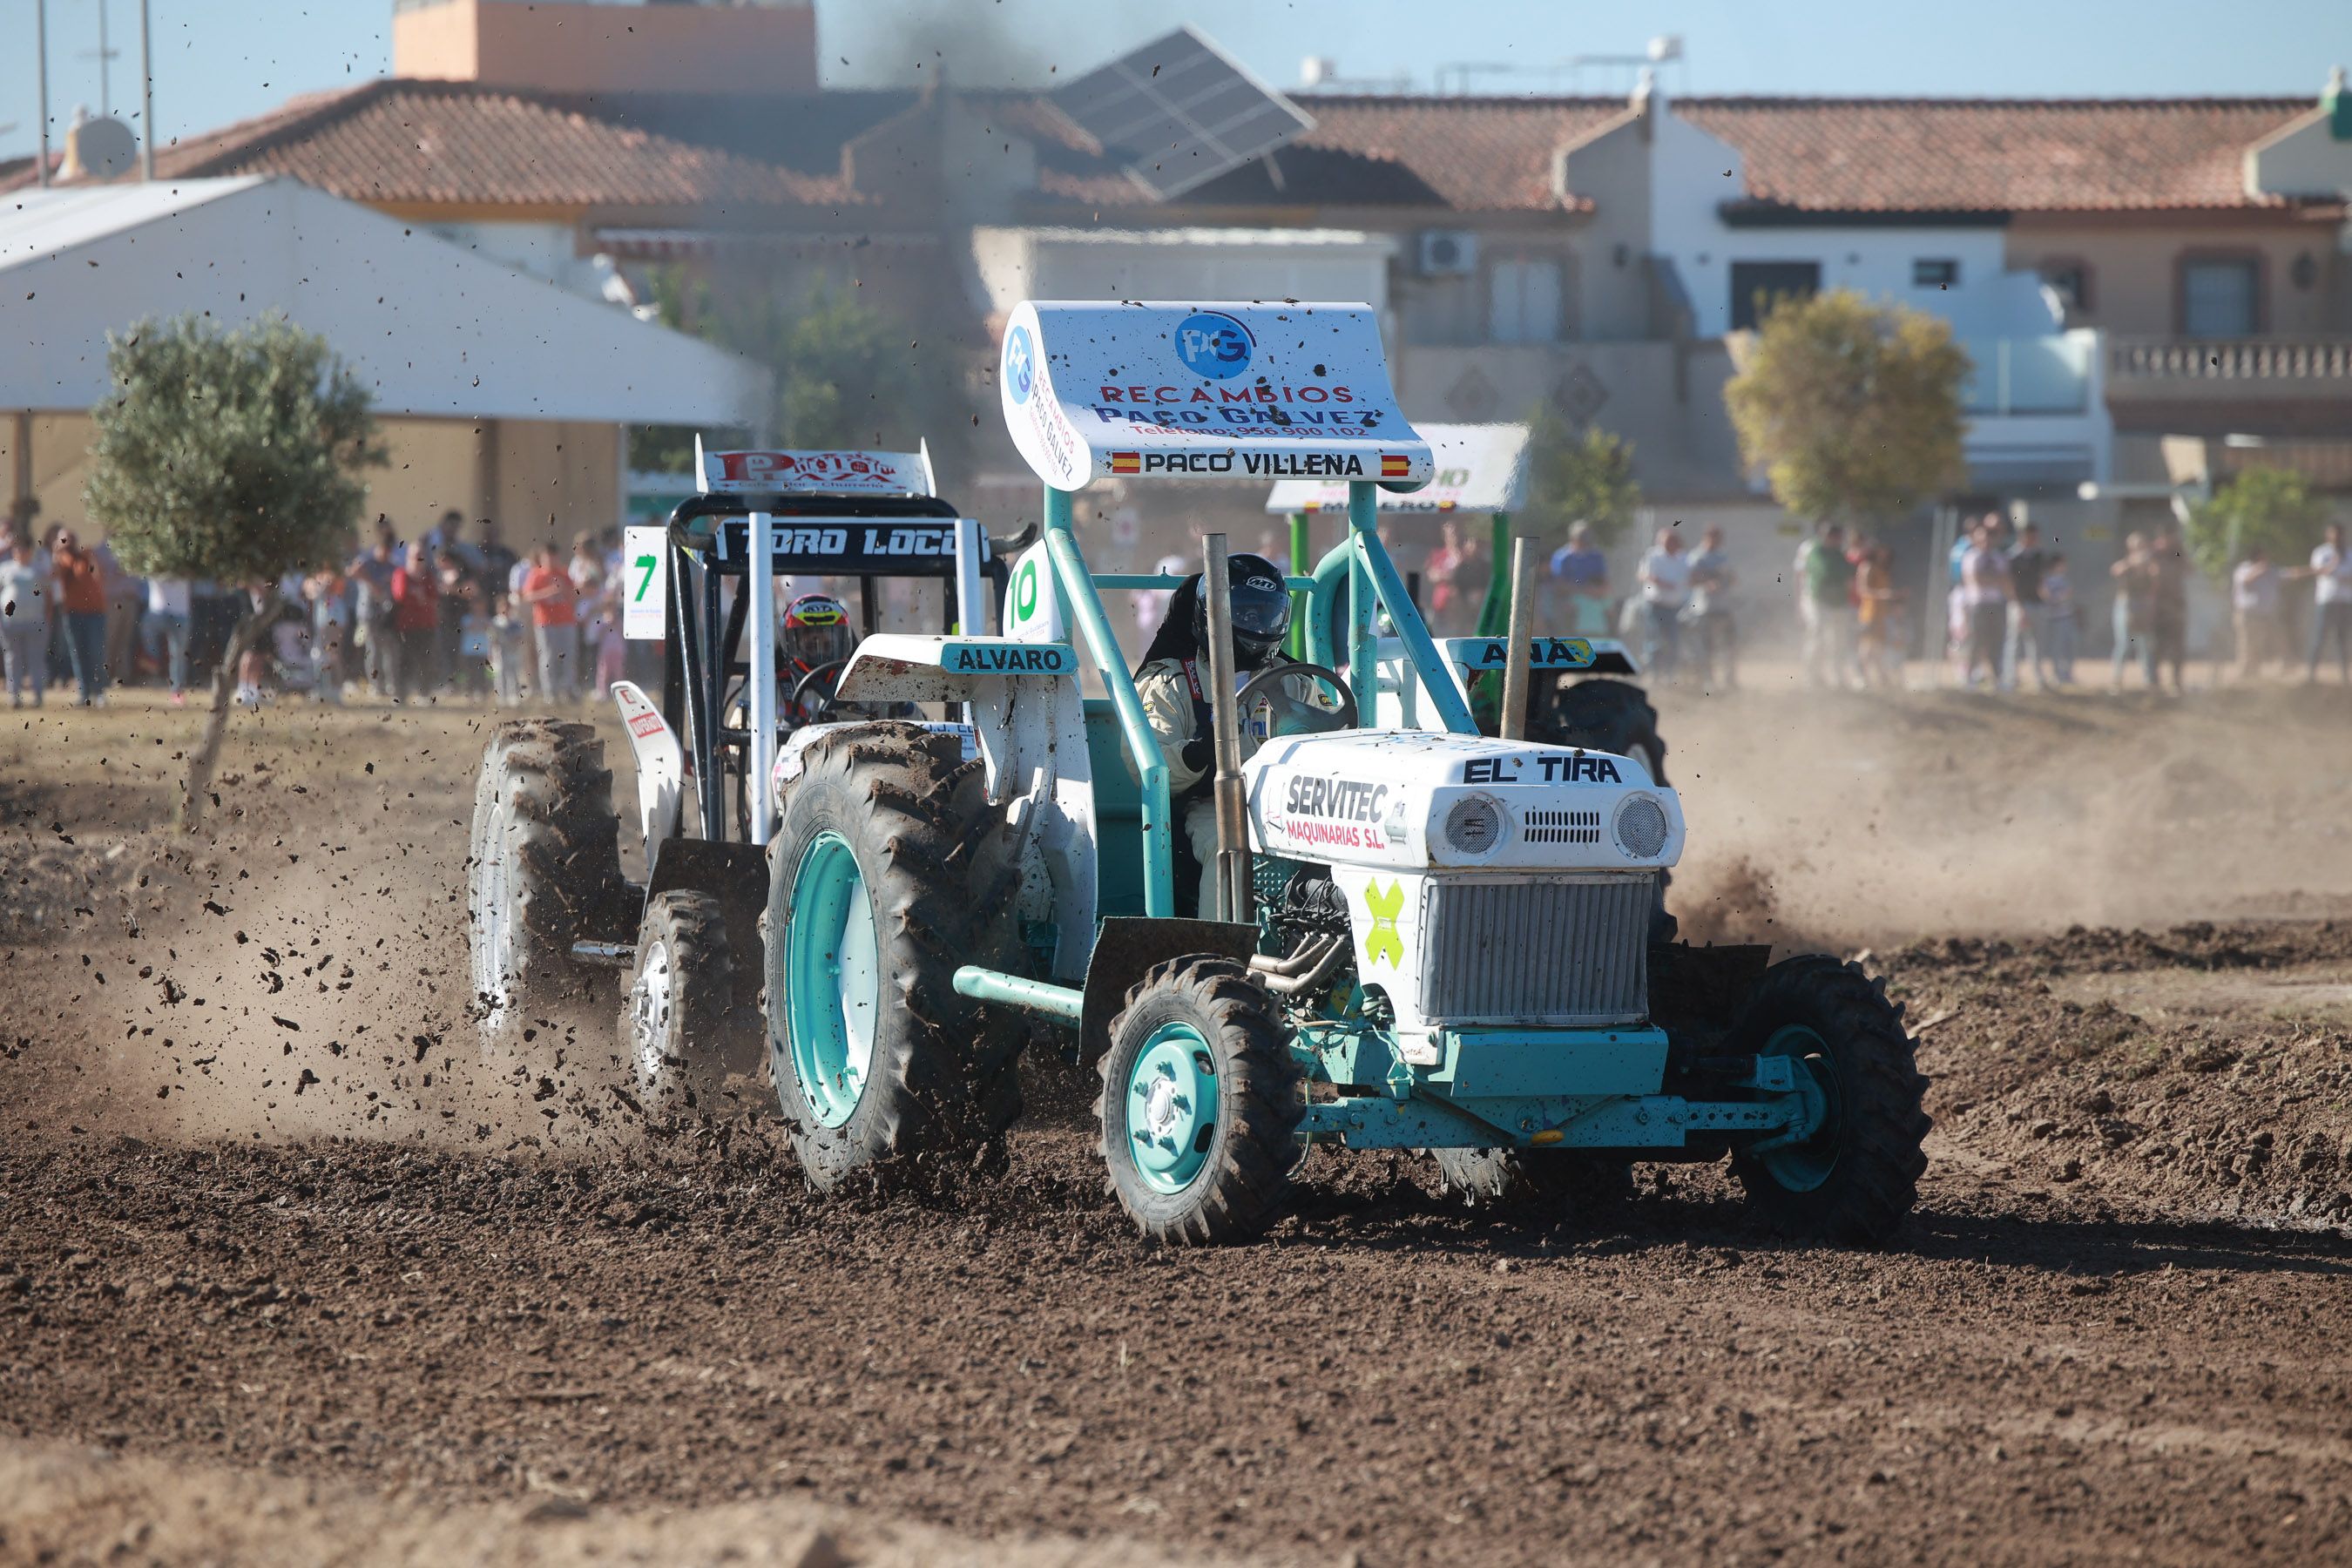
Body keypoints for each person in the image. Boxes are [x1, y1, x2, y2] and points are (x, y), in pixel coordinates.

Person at [1137, 554, 1311, 919]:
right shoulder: (1171, 681)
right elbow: (1149, 766)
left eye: (1266, 613)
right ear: (1211, 615)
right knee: (1226, 846)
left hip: (1290, 802)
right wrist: (1196, 754)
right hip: (1209, 803)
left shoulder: (1295, 679)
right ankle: (1220, 947)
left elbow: (1336, 732)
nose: (1258, 624)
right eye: (1246, 612)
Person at [49, 529, 109, 705]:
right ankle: (84, 693)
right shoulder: (62, 560)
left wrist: (91, 558)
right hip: (73, 614)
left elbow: (97, 576)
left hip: (95, 613)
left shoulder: (86, 556)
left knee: (96, 653)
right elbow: (53, 576)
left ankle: (99, 692)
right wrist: (56, 554)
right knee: (78, 655)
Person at [781, 591, 857, 718]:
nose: (818, 643)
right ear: (791, 642)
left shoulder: (860, 680)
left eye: (827, 644)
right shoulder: (770, 682)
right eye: (811, 645)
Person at [1800, 522, 1856, 688]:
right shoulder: (1816, 551)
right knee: (1817, 636)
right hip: (1819, 600)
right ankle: (1812, 677)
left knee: (1838, 641)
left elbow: (1850, 574)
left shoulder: (1839, 554)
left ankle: (1838, 676)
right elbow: (1825, 573)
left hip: (1839, 602)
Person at [520, 544, 579, 702]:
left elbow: (574, 596)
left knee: (568, 656)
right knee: (547, 657)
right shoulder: (536, 574)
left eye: (554, 557)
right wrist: (548, 592)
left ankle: (568, 689)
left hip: (566, 621)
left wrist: (564, 589)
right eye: (548, 557)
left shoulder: (564, 573)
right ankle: (550, 692)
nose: (551, 561)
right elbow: (527, 596)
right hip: (545, 621)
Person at [349, 520, 402, 697]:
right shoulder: (367, 561)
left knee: (390, 651)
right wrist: (371, 583)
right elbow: (352, 572)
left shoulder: (393, 566)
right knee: (373, 650)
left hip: (387, 615)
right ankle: (376, 686)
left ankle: (391, 684)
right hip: (368, 614)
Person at [1958, 520, 2012, 690]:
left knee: (1997, 641)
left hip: (1996, 604)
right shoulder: (1971, 556)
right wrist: (1995, 579)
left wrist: (1992, 579)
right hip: (1978, 604)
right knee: (1977, 641)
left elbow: (2005, 579)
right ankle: (1971, 678)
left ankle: (1997, 678)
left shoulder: (1998, 557)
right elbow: (1975, 579)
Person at [1680, 524, 1737, 687]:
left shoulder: (1722, 556)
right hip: (1704, 608)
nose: (1717, 541)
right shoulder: (1697, 557)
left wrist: (1730, 579)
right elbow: (1690, 580)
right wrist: (1707, 583)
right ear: (1707, 537)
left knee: (1729, 645)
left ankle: (1729, 679)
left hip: (1723, 606)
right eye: (1714, 538)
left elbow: (1732, 577)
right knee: (1707, 647)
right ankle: (1708, 679)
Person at [2004, 522, 2055, 691]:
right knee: (2015, 642)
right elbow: (2010, 584)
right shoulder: (2013, 556)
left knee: (2037, 643)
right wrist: (2019, 607)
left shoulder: (2039, 555)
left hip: (2036, 603)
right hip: (2019, 604)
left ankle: (2038, 678)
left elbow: (2042, 579)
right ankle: (2011, 678)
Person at [0, 533, 50, 707]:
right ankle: (14, 695)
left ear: (30, 551)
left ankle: (38, 695)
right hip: (11, 622)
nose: (20, 553)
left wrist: (47, 615)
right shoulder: (5, 569)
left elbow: (49, 592)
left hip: (35, 621)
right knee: (13, 658)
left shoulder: (38, 570)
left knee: (36, 658)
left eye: (24, 549)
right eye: (17, 549)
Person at [1636, 525, 1691, 679]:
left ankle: (1669, 674)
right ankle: (1654, 674)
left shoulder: (1683, 558)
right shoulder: (1653, 556)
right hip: (1656, 605)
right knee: (1655, 641)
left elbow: (1690, 576)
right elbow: (1643, 574)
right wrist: (1660, 582)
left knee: (1673, 642)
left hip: (1675, 607)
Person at [2300, 523, 2352, 684]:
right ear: (2328, 535)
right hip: (2326, 600)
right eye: (2333, 533)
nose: (2336, 537)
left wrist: (2340, 574)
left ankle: (2344, 676)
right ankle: (2311, 675)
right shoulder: (2322, 552)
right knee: (2319, 638)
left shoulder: (2349, 553)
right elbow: (2318, 571)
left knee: (2342, 639)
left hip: (2344, 601)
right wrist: (2334, 564)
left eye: (2338, 534)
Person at [390, 543, 441, 701]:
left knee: (425, 661)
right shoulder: (401, 574)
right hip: (406, 626)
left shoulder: (428, 576)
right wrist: (419, 597)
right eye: (415, 556)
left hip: (426, 625)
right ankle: (401, 695)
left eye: (421, 556)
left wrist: (420, 597)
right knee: (404, 661)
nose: (418, 560)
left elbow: (434, 598)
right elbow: (400, 595)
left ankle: (424, 694)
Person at [1854, 540, 1904, 688]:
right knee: (1867, 647)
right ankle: (1861, 677)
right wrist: (1883, 594)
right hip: (1869, 613)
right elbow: (1863, 590)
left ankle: (1881, 678)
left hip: (1881, 614)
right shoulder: (1868, 567)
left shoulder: (1883, 569)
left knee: (1879, 648)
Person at [1547, 524, 1612, 636]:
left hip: (1592, 598)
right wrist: (1582, 591)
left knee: (1608, 608)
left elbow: (1604, 581)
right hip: (1566, 598)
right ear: (1574, 539)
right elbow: (1558, 585)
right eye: (1582, 539)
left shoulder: (1596, 557)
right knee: (1566, 613)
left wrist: (1598, 592)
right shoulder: (1563, 557)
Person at [2230, 548, 2283, 681]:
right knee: (2245, 644)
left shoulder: (2269, 570)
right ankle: (2244, 673)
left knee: (2258, 644)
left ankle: (2255, 673)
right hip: (2246, 614)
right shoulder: (2243, 569)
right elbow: (2246, 581)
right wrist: (2259, 570)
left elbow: (2287, 574)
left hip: (2261, 615)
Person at [303, 565, 350, 703]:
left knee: (333, 654)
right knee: (321, 656)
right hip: (323, 621)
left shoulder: (333, 578)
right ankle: (323, 688)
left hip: (333, 619)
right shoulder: (314, 580)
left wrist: (321, 585)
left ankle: (335, 690)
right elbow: (309, 591)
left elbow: (333, 588)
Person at [145, 573, 194, 702]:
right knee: (145, 628)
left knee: (179, 653)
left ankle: (177, 690)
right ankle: (152, 659)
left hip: (180, 612)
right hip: (158, 610)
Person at [2039, 551, 2078, 685]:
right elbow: (2048, 598)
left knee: (2070, 647)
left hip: (2067, 617)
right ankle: (2058, 675)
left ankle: (2067, 675)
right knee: (2057, 648)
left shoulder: (2064, 579)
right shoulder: (2048, 580)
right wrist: (2062, 597)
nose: (2065, 566)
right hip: (2055, 619)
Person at [490, 593, 530, 706]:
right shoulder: (495, 622)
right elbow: (492, 638)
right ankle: (501, 697)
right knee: (500, 674)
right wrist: (491, 651)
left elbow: (520, 636)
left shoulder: (516, 621)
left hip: (514, 651)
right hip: (500, 652)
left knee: (514, 674)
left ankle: (514, 696)